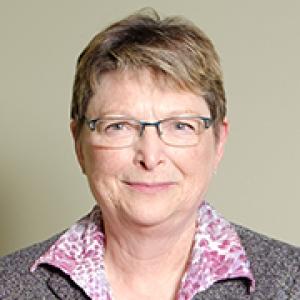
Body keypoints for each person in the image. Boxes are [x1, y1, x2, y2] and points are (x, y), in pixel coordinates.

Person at [0, 8, 299, 300]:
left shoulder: (291, 282)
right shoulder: (8, 286)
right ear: (79, 144)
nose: (150, 156)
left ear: (219, 142)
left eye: (180, 125)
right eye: (119, 126)